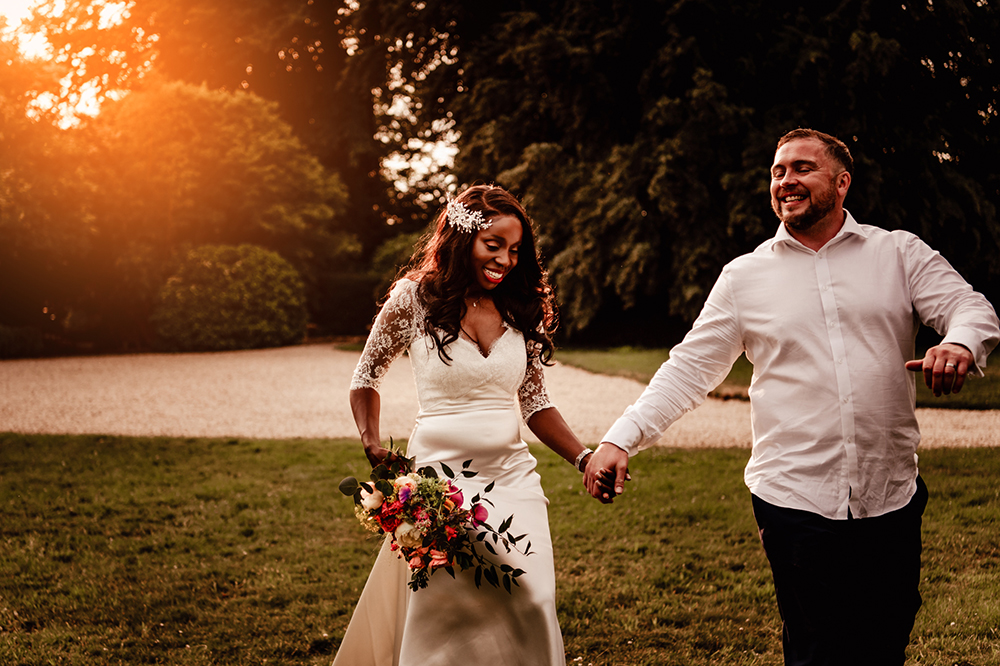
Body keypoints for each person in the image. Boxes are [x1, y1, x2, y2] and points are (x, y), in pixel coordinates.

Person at [584, 129, 1000, 665]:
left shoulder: (897, 252)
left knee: (884, 643)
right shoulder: (744, 277)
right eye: (778, 172)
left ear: (841, 182)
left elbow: (972, 308)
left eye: (802, 168)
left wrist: (959, 343)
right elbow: (688, 370)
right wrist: (621, 438)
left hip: (890, 493)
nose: (786, 180)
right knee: (815, 650)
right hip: (794, 498)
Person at [334, 184, 594, 665]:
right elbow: (366, 374)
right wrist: (371, 442)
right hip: (439, 484)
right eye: (493, 245)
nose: (505, 260)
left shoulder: (521, 307)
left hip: (513, 478)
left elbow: (535, 403)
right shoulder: (414, 299)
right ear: (461, 238)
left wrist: (583, 456)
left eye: (515, 250)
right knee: (447, 616)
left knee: (531, 600)